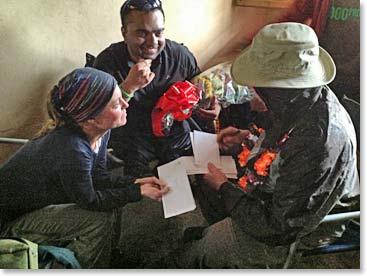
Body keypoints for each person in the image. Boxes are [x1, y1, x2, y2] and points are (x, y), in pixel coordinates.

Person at [162, 22, 360, 268]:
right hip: (281, 197)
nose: (253, 90)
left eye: (260, 85)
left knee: (205, 249)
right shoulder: (299, 99)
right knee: (208, 192)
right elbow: (281, 141)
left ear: (281, 89)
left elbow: (279, 227)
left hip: (301, 227)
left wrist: (224, 187)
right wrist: (248, 138)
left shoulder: (321, 140)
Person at [0, 67, 169, 268]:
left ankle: (104, 252)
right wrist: (136, 191)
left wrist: (134, 181)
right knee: (97, 221)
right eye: (116, 103)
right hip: (9, 223)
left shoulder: (99, 131)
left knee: (112, 204)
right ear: (91, 120)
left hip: (47, 198)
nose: (126, 103)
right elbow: (89, 200)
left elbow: (98, 176)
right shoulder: (73, 149)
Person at [93, 0, 220, 177]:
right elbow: (98, 117)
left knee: (200, 168)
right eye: (142, 34)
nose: (153, 42)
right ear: (125, 33)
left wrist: (213, 105)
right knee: (139, 181)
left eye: (158, 32)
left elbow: (198, 85)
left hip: (173, 127)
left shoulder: (178, 56)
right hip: (133, 132)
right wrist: (128, 87)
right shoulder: (107, 63)